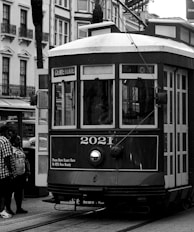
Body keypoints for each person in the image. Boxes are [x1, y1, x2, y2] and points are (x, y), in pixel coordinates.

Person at [6, 134, 30, 214]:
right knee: (9, 192)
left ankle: (19, 208)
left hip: (21, 174)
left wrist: (28, 170)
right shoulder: (10, 149)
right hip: (14, 174)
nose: (19, 141)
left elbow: (26, 160)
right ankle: (8, 208)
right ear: (13, 141)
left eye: (19, 140)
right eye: (17, 139)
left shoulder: (20, 149)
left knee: (19, 192)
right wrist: (11, 172)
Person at [0, 125, 16, 219]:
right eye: (9, 131)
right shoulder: (5, 141)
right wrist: (10, 172)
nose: (10, 133)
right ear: (5, 131)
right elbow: (7, 158)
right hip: (4, 172)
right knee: (6, 193)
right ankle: (5, 210)